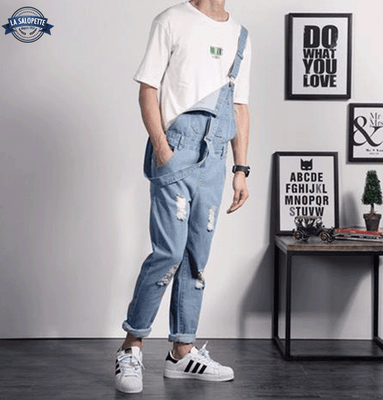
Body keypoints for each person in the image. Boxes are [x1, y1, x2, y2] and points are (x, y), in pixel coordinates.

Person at [115, 0, 251, 393]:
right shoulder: (172, 20)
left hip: (216, 159)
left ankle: (182, 352)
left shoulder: (240, 35)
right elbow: (148, 89)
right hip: (176, 149)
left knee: (196, 258)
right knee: (168, 254)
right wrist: (162, 147)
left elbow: (239, 106)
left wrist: (241, 169)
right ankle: (131, 347)